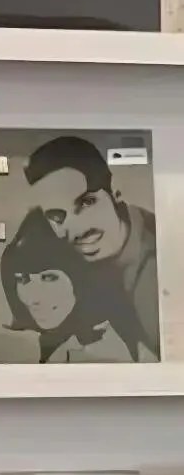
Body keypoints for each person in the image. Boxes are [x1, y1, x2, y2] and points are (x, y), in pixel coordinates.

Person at [24, 136, 159, 355]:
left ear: (115, 191)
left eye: (87, 202)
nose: (77, 230)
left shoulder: (159, 266)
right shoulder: (67, 263)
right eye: (57, 216)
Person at [0, 208, 153, 363]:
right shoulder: (37, 343)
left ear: (82, 278)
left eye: (49, 278)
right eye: (23, 279)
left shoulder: (113, 348)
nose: (33, 297)